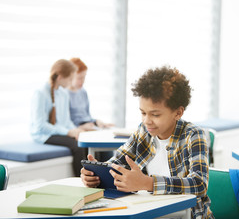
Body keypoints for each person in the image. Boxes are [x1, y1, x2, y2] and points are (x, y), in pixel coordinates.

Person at [81, 66, 214, 218]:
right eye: (143, 113)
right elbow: (116, 165)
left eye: (155, 114)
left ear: (178, 113)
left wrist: (147, 183)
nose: (146, 121)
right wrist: (95, 175)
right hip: (150, 212)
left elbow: (199, 184)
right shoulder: (143, 132)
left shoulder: (194, 135)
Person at [30, 59, 86, 177]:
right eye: (70, 79)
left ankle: (95, 180)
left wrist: (75, 131)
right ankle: (80, 180)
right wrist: (68, 132)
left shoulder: (63, 94)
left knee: (85, 142)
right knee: (77, 147)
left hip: (58, 132)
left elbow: (66, 121)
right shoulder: (40, 93)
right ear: (60, 77)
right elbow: (40, 126)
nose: (71, 82)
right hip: (43, 135)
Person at [67, 57, 114, 130]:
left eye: (84, 77)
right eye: (79, 78)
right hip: (76, 129)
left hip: (89, 125)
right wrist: (80, 127)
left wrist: (96, 122)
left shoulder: (83, 92)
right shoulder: (64, 94)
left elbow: (87, 116)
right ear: (70, 76)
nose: (82, 81)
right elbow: (65, 122)